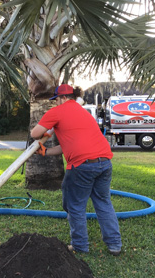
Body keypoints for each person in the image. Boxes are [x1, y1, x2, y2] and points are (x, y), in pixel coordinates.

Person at [30, 84, 122, 255]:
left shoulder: (57, 112)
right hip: (104, 162)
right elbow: (70, 145)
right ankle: (115, 245)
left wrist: (46, 130)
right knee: (103, 202)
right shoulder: (84, 112)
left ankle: (79, 246)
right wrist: (47, 152)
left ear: (62, 98)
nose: (55, 102)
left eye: (56, 99)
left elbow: (35, 133)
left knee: (75, 206)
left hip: (82, 166)